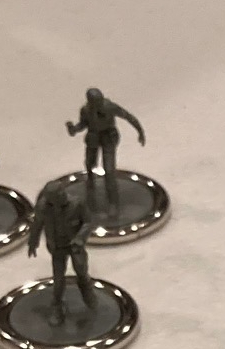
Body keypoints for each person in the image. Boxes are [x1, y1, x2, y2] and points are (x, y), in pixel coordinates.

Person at [26, 179, 94, 321]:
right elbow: (37, 224)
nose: (62, 196)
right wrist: (33, 242)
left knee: (81, 270)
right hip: (57, 247)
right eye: (57, 195)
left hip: (75, 246)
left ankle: (88, 293)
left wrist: (79, 238)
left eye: (62, 193)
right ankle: (56, 305)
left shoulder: (77, 203)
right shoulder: (43, 207)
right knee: (58, 278)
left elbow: (88, 222)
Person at [65, 88, 145, 209]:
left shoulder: (110, 107)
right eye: (96, 102)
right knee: (89, 163)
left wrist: (140, 131)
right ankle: (90, 187)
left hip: (108, 137)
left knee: (109, 170)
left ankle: (113, 202)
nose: (99, 104)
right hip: (93, 137)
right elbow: (83, 124)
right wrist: (74, 129)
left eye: (100, 100)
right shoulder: (86, 110)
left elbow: (128, 116)